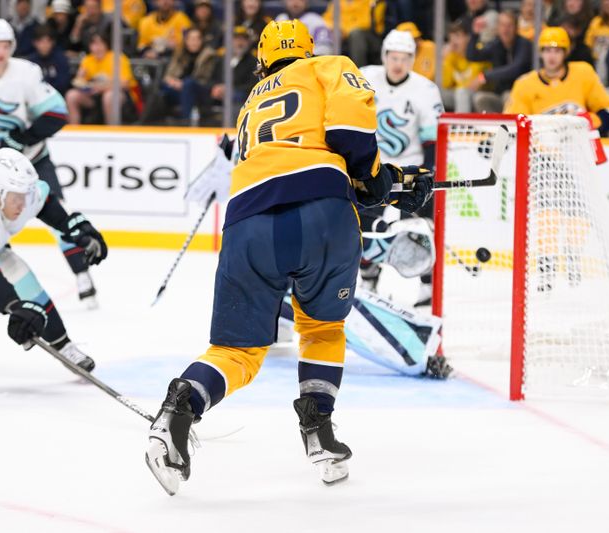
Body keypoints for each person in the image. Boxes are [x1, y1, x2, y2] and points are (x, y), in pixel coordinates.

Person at [145, 19, 434, 495]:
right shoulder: (328, 66)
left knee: (236, 352)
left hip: (246, 222)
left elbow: (296, 159)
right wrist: (382, 180)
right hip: (321, 216)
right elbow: (348, 142)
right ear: (308, 48)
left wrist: (385, 181)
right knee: (321, 329)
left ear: (262, 60)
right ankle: (319, 431)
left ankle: (180, 408)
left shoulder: (250, 105)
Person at [0, 19, 100, 306]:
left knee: (57, 214)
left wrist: (23, 137)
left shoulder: (26, 73)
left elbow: (56, 115)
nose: (1, 52)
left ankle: (83, 276)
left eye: (6, 45)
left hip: (32, 157)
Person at [0, 149, 106, 369]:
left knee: (26, 283)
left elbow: (44, 203)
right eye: (17, 198)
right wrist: (14, 306)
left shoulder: (15, 191)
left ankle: (63, 346)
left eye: (25, 195)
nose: (23, 204)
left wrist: (77, 229)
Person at [505, 27, 609, 291]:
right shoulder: (525, 84)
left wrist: (590, 120)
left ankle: (574, 258)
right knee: (546, 213)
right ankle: (546, 265)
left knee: (577, 212)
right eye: (547, 50)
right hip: (541, 159)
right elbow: (513, 123)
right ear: (541, 53)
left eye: (557, 50)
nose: (552, 56)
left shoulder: (583, 74)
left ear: (565, 53)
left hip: (576, 157)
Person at [360, 29, 443, 307]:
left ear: (413, 59)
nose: (398, 64)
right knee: (367, 227)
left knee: (424, 229)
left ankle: (427, 286)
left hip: (411, 171)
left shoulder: (425, 89)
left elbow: (433, 140)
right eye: (393, 57)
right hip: (374, 169)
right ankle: (368, 277)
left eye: (405, 58)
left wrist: (428, 174)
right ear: (384, 56)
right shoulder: (364, 78)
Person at [66, 30, 141, 125]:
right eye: (94, 44)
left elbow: (125, 83)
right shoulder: (88, 60)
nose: (97, 48)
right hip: (94, 96)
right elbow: (78, 83)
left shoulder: (118, 58)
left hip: (122, 96)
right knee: (71, 95)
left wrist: (101, 87)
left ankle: (111, 131)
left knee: (109, 96)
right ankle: (73, 130)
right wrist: (80, 78)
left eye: (100, 44)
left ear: (107, 44)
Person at [466, 10, 533, 113]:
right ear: (497, 28)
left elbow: (515, 69)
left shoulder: (524, 45)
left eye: (509, 25)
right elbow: (472, 56)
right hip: (500, 95)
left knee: (508, 96)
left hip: (521, 95)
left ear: (516, 28)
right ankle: (494, 128)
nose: (506, 30)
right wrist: (475, 34)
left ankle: (510, 129)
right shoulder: (496, 45)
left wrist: (485, 76)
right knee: (480, 98)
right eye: (502, 25)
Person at [158, 26, 219, 124]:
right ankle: (150, 123)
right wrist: (171, 81)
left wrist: (182, 84)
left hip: (201, 91)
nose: (194, 42)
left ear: (202, 40)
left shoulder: (209, 55)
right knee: (160, 86)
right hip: (180, 89)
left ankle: (185, 121)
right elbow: (169, 74)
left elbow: (204, 78)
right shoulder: (180, 54)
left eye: (197, 39)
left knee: (189, 84)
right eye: (191, 39)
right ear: (186, 41)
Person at [441, 22, 489, 112]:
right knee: (435, 93)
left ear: (468, 38)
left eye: (457, 37)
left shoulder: (479, 51)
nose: (453, 42)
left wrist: (481, 78)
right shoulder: (451, 56)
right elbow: (445, 84)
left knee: (462, 92)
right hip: (458, 95)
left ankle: (460, 125)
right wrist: (444, 61)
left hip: (478, 94)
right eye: (451, 38)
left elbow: (471, 85)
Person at [323, 0, 386, 66]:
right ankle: (329, 68)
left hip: (370, 37)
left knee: (356, 34)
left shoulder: (369, 2)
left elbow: (366, 23)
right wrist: (336, 29)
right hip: (342, 35)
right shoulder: (337, 2)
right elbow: (326, 19)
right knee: (327, 32)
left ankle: (359, 71)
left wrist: (343, 30)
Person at [27, 24, 71, 95]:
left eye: (48, 41)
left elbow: (63, 83)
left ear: (53, 42)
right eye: (41, 42)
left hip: (57, 97)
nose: (45, 45)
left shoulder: (61, 59)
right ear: (35, 43)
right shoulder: (31, 61)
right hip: (35, 98)